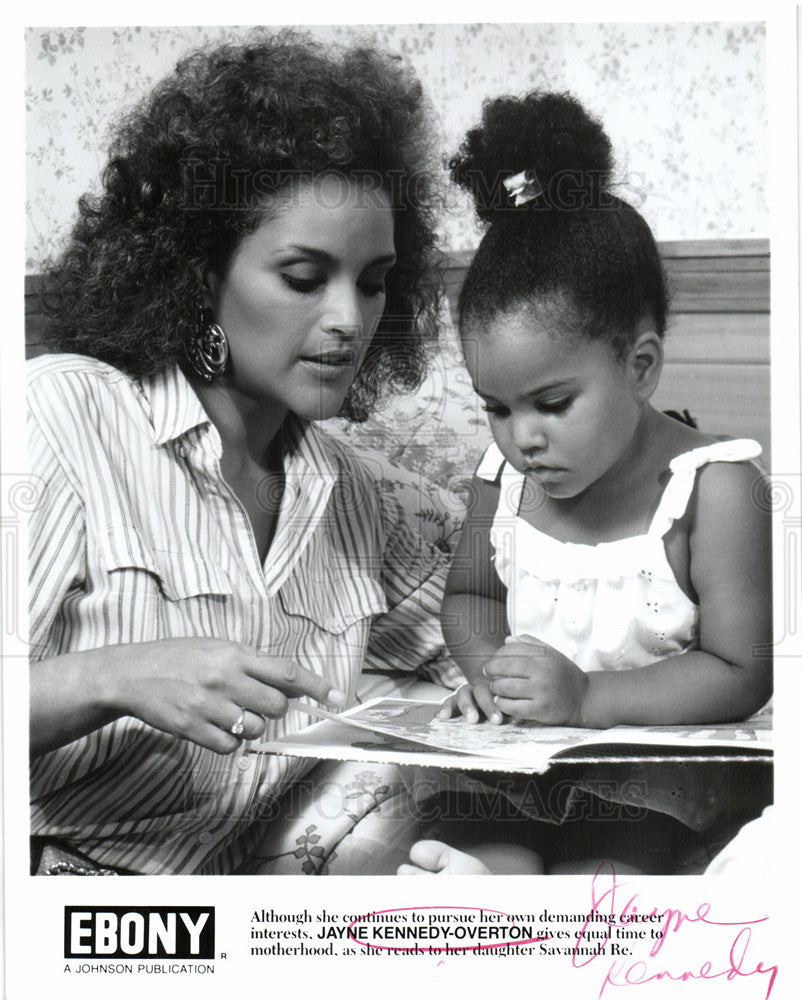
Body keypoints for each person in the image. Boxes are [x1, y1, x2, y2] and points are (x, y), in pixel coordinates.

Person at [28, 31, 455, 876]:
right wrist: (112, 674)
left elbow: (491, 622)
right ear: (199, 272)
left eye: (373, 282)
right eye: (304, 276)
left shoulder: (355, 494)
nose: (350, 320)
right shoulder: (60, 418)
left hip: (253, 915)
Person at [398, 91, 772, 876]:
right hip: (519, 757)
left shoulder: (716, 488)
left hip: (650, 771)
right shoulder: (501, 476)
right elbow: (470, 600)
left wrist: (584, 701)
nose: (521, 436)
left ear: (639, 368)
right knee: (472, 862)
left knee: (598, 886)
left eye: (553, 404)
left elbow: (741, 673)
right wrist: (492, 677)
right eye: (495, 407)